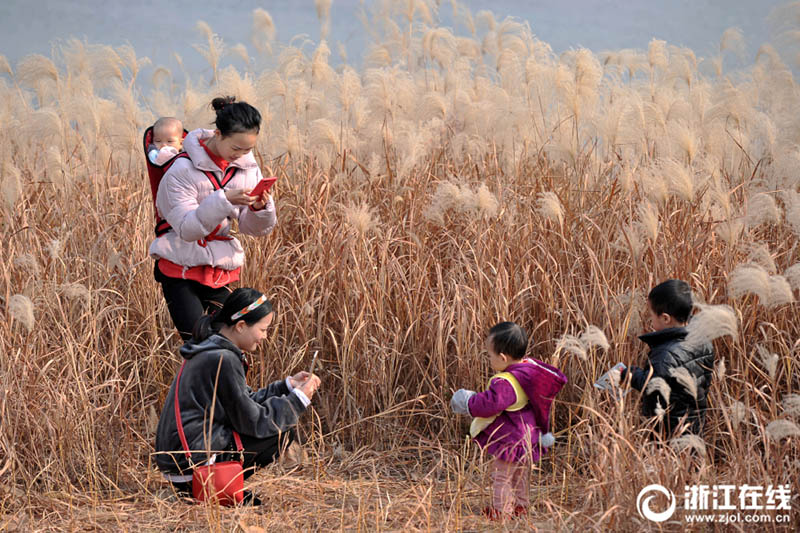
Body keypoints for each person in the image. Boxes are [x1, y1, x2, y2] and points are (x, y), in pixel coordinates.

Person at [154, 288, 321, 504]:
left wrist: (287, 386)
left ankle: (221, 486)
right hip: (191, 465)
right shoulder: (223, 358)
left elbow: (243, 401)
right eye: (263, 329)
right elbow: (252, 421)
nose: (265, 337)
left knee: (277, 421)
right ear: (241, 326)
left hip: (179, 461)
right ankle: (217, 490)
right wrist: (298, 400)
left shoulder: (210, 348)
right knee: (280, 432)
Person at [148, 96, 276, 340]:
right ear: (217, 134)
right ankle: (192, 378)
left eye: (248, 149)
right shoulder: (180, 169)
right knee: (200, 344)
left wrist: (260, 209)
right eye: (236, 148)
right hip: (180, 267)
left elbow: (252, 227)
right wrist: (225, 199)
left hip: (222, 269)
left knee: (231, 341)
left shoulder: (248, 168)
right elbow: (187, 229)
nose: (241, 155)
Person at [450, 322, 567, 520]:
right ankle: (520, 506)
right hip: (529, 436)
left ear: (503, 358)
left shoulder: (506, 382)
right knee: (520, 474)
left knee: (501, 476)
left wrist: (468, 401)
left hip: (510, 438)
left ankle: (501, 512)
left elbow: (489, 404)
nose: (489, 359)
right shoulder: (529, 370)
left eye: (489, 355)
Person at [617, 279, 714, 436]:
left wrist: (630, 374)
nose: (650, 320)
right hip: (695, 425)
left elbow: (652, 386)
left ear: (665, 318)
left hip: (668, 430)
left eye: (652, 315)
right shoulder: (703, 340)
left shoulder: (665, 355)